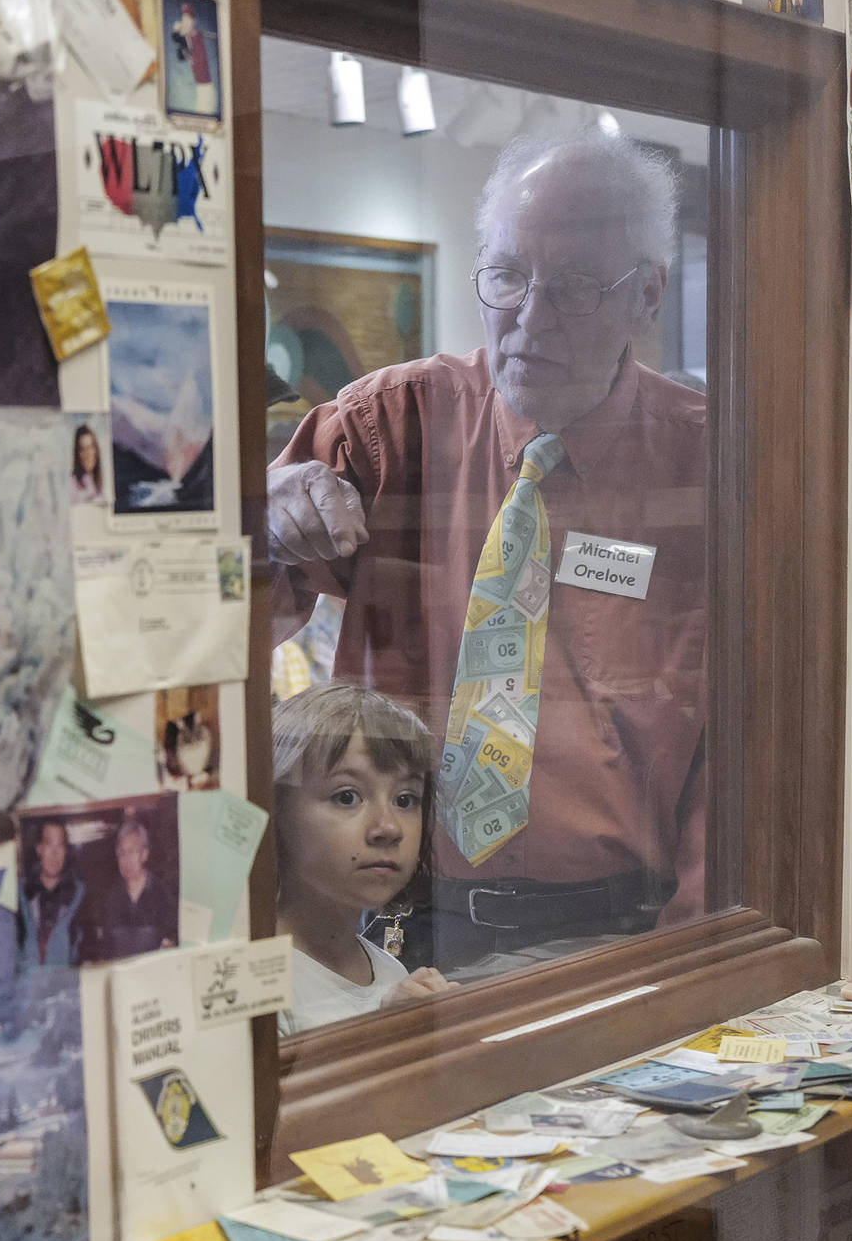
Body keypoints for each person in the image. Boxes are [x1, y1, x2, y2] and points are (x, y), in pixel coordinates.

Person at [268, 132, 707, 973]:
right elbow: (220, 621)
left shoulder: (706, 468)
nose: (530, 320)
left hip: (615, 937)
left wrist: (693, 956)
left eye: (574, 288)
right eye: (507, 276)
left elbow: (746, 745)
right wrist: (263, 516)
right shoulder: (392, 425)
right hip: (388, 933)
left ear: (647, 297)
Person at [273, 684, 452, 1033]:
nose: (389, 828)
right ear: (277, 811)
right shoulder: (256, 980)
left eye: (405, 800)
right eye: (347, 797)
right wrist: (382, 1032)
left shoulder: (389, 971)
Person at [83, 812, 172, 960]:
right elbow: (106, 949)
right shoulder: (111, 898)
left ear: (144, 854)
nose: (125, 860)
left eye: (131, 852)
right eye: (121, 853)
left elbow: (172, 944)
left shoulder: (162, 894)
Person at [19, 818, 84, 970]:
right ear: (39, 849)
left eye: (60, 846)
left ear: (66, 851)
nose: (55, 854)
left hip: (65, 981)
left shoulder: (79, 895)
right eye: (49, 844)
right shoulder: (21, 895)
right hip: (29, 981)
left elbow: (86, 949)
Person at [170, 0, 217, 116]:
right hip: (200, 88)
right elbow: (181, 56)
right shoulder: (187, 39)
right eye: (183, 20)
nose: (185, 22)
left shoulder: (196, 35)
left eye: (188, 19)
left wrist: (178, 32)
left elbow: (187, 40)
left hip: (206, 88)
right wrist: (176, 33)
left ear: (193, 21)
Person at [71, 421, 107, 504]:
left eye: (90, 447)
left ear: (96, 450)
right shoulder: (72, 483)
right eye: (82, 449)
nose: (88, 454)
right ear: (77, 453)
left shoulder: (99, 481)